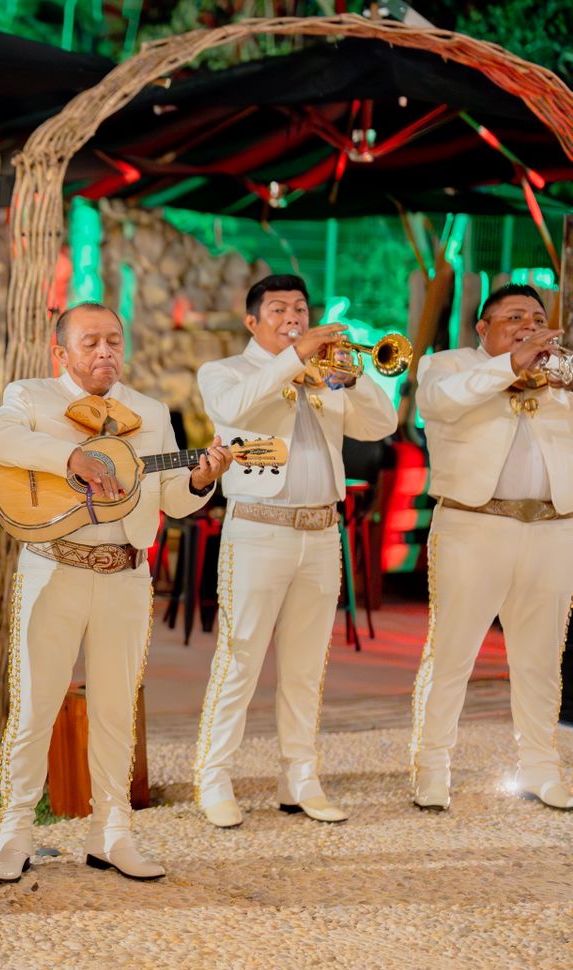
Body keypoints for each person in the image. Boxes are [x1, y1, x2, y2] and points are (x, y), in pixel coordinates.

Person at [0, 302, 231, 883]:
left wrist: (202, 477)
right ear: (60, 350)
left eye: (114, 341)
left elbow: (172, 495)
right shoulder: (32, 395)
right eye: (90, 342)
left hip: (125, 574)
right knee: (36, 704)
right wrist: (70, 456)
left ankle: (111, 832)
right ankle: (14, 831)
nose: (104, 352)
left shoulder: (148, 410)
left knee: (117, 708)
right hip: (52, 568)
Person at [192, 275, 397, 828]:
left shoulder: (326, 377)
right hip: (257, 530)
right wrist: (294, 358)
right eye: (278, 309)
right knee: (240, 659)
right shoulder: (227, 372)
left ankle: (299, 777)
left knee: (308, 667)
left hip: (321, 532)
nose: (293, 317)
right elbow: (234, 408)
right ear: (252, 322)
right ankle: (213, 778)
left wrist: (351, 381)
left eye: (301, 309)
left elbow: (384, 424)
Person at [410, 284, 573, 811]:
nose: (529, 324)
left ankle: (541, 768)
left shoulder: (561, 371)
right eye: (514, 317)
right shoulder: (448, 366)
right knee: (452, 654)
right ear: (483, 328)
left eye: (538, 317)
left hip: (553, 529)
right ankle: (431, 768)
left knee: (541, 660)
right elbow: (436, 404)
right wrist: (511, 364)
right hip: (473, 526)